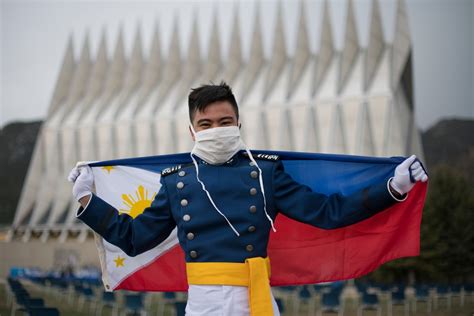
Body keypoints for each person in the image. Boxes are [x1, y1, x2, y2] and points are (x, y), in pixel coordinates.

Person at [68, 82, 428, 315]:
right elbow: (135, 238)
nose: (216, 130)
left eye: (225, 121)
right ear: (192, 131)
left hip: (254, 299)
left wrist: (391, 188)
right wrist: (88, 202)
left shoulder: (265, 173)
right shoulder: (177, 182)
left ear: (238, 125)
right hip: (203, 303)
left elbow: (328, 213)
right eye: (206, 124)